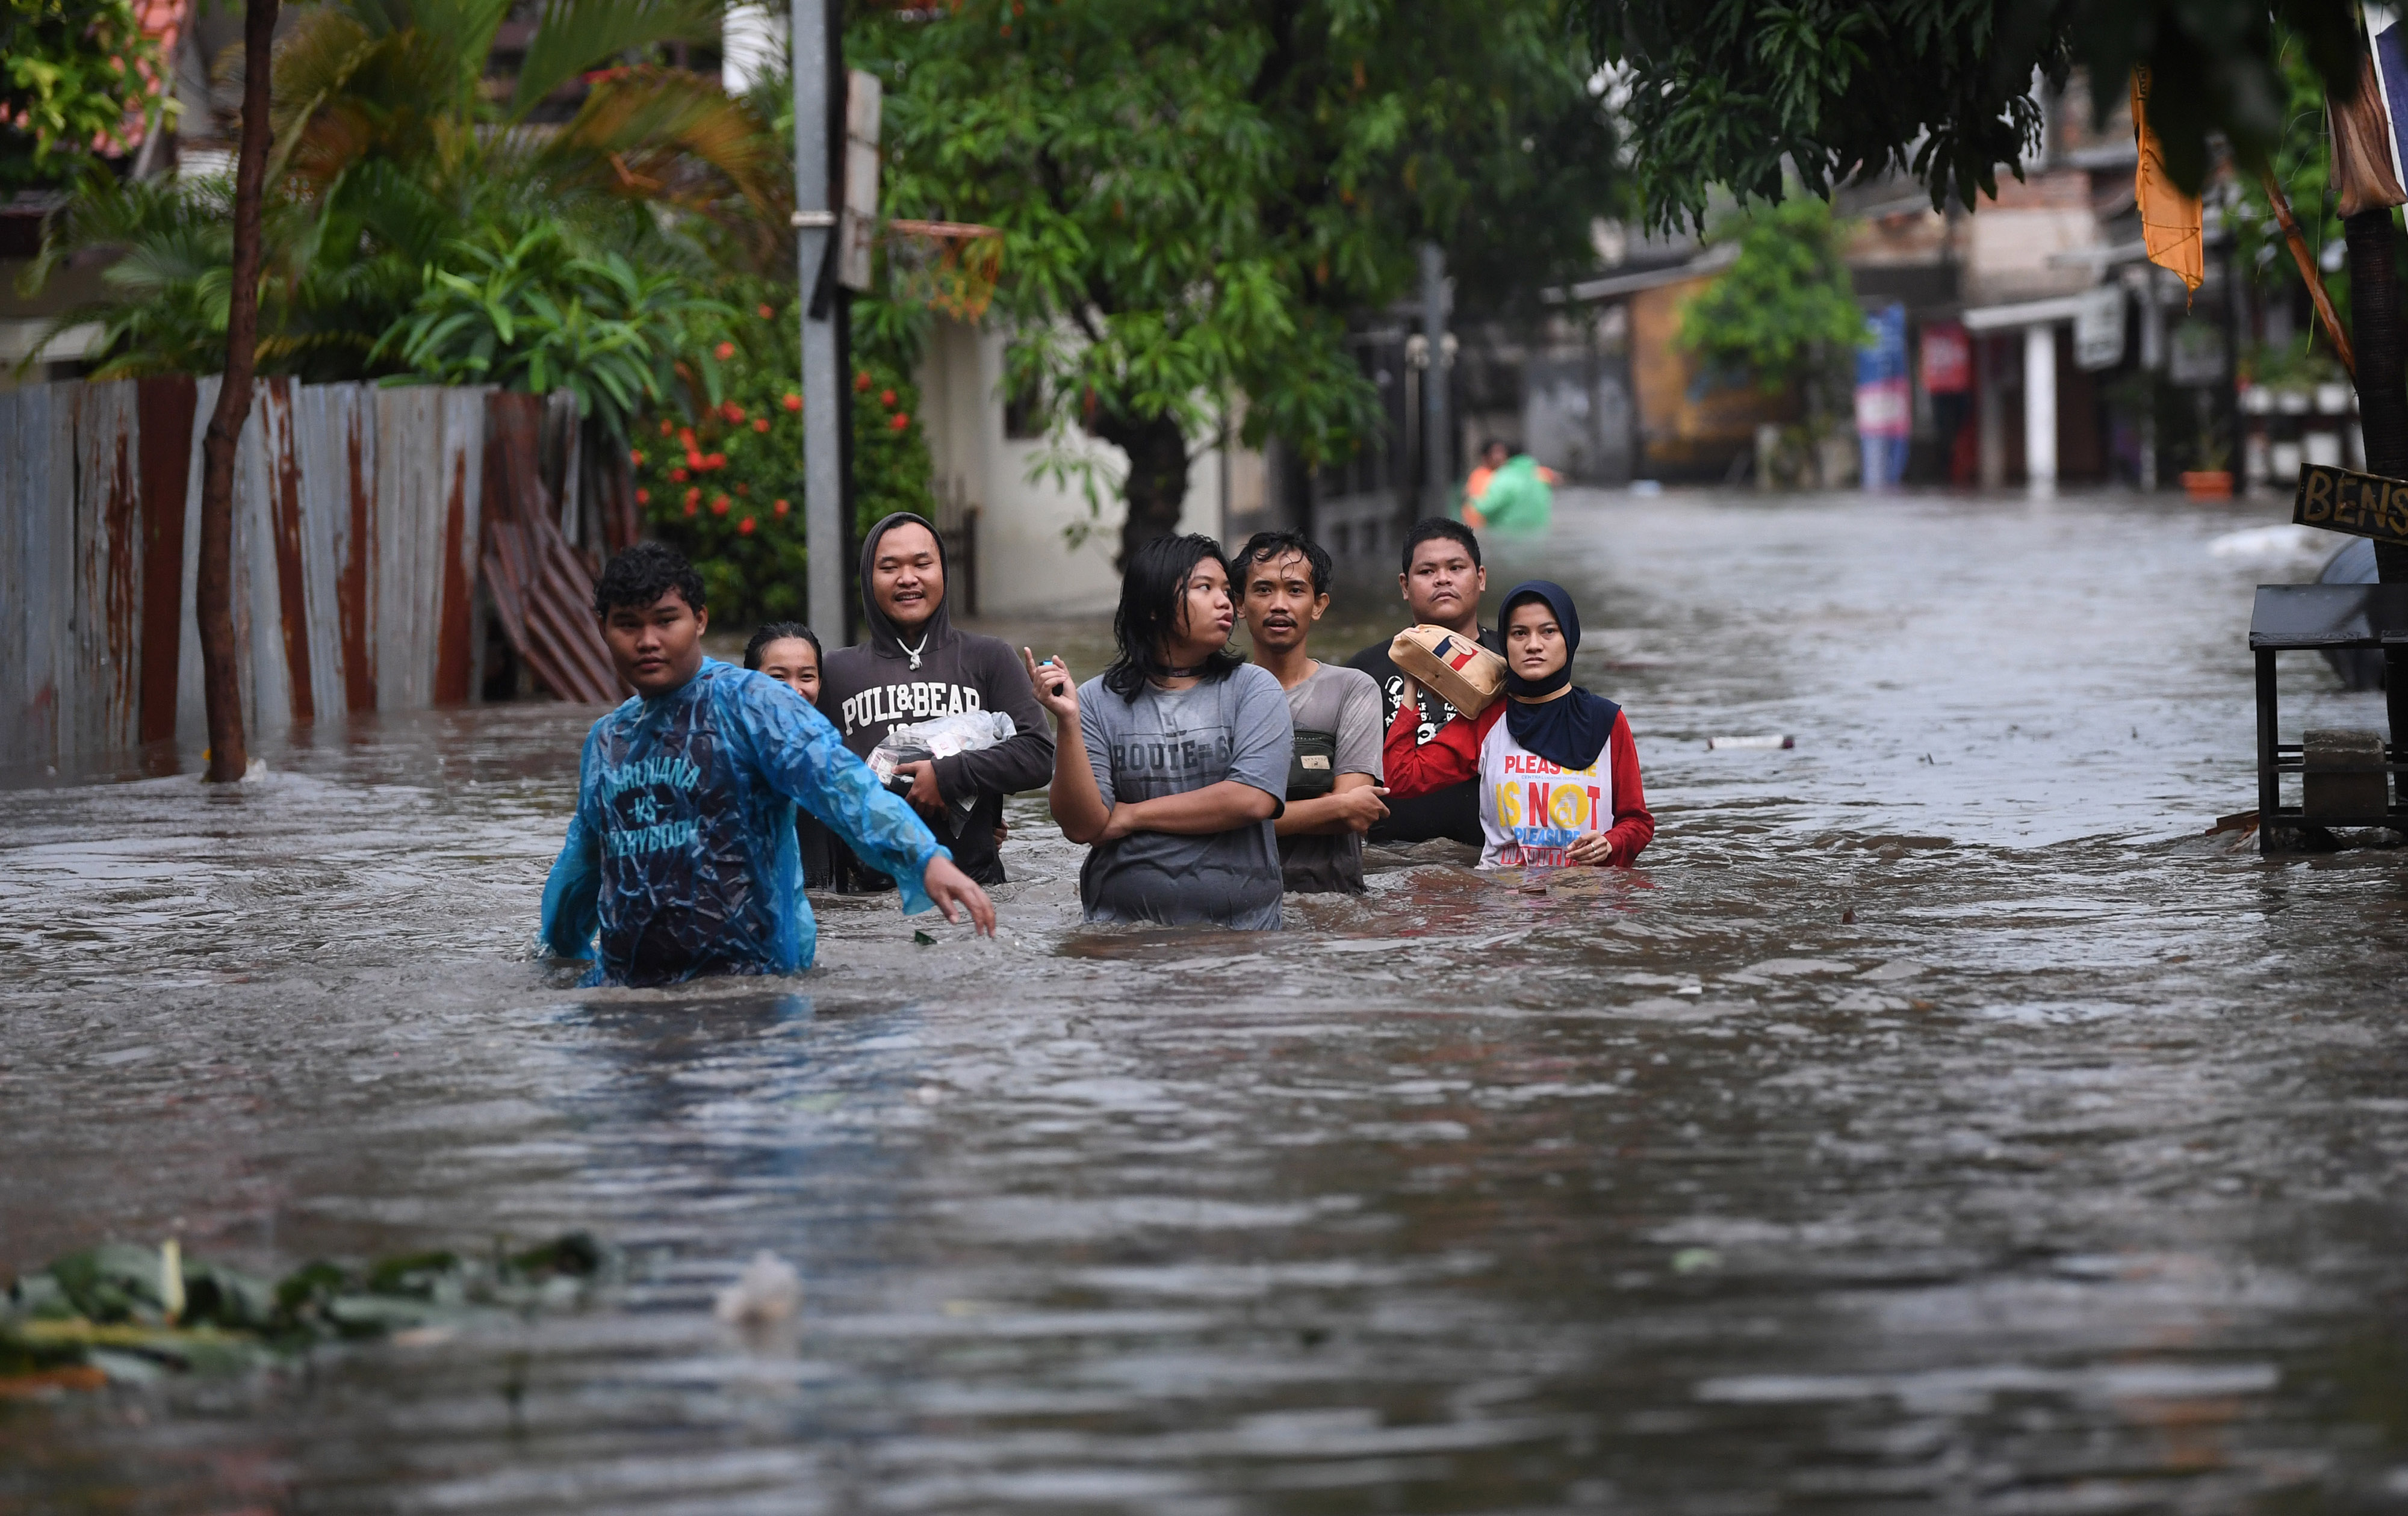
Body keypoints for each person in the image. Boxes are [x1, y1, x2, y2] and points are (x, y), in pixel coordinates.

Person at [539, 543, 995, 987]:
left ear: (699, 620)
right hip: (630, 992)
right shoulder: (608, 740)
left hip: (754, 986)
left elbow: (843, 787)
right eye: (627, 625)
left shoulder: (755, 705)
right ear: (602, 629)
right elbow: (582, 864)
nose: (648, 641)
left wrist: (923, 857)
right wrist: (555, 954)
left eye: (665, 621)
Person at [1023, 533, 1292, 929]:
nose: (1227, 603)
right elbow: (1082, 827)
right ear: (1153, 606)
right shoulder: (1096, 700)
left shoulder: (1254, 688)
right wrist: (1067, 721)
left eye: (1226, 590)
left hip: (1243, 935)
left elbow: (1252, 799)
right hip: (1121, 932)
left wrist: (1131, 816)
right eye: (1204, 587)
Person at [818, 512, 1054, 889]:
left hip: (976, 889)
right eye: (889, 567)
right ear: (867, 579)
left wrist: (949, 776)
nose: (907, 578)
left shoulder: (989, 658)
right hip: (871, 899)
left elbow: (1039, 756)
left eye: (922, 564)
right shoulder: (833, 671)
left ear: (943, 571)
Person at [1382, 580, 1653, 871]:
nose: (1533, 645)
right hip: (1503, 900)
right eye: (1519, 633)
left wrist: (1611, 843)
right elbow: (1400, 778)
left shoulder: (1607, 720)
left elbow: (1637, 822)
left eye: (1548, 632)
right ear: (1506, 643)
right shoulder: (1489, 719)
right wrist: (1412, 681)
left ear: (1570, 638)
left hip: (1584, 898)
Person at [1235, 530, 1388, 893]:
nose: (1279, 604)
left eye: (1295, 590)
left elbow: (1355, 815)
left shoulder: (1353, 689)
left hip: (1333, 898)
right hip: (1241, 897)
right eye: (1263, 590)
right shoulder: (1221, 694)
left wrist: (1241, 817)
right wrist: (1335, 805)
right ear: (1239, 604)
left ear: (1318, 605)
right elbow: (1345, 806)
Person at [1346, 519, 1501, 848]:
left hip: (1489, 861)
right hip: (1390, 861)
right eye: (1427, 571)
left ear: (1481, 578)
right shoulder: (1363, 673)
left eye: (1456, 567)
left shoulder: (1513, 666)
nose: (1443, 579)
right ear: (1405, 586)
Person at [742, 621, 837, 889]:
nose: (795, 690)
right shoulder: (727, 759)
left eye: (806, 677)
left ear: (820, 683)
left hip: (828, 917)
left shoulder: (833, 763)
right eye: (778, 678)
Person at [1462, 439, 1561, 534]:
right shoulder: (1539, 475)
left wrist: (1469, 500)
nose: (1499, 457)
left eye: (1501, 453)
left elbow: (1488, 506)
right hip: (1539, 533)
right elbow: (1557, 480)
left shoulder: (1504, 477)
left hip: (1506, 533)